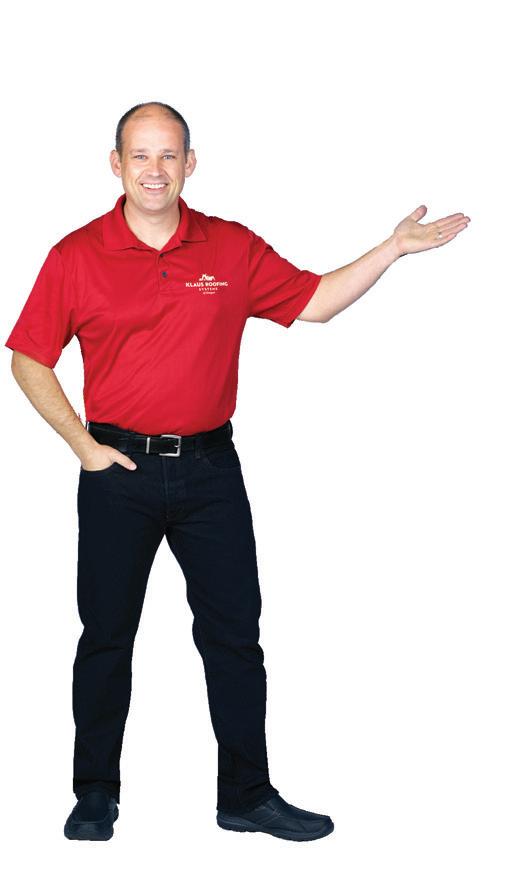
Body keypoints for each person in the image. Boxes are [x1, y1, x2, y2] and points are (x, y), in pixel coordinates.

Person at [5, 101, 470, 843]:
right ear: (116, 164)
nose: (154, 169)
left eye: (168, 155)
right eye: (139, 155)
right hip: (117, 470)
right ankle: (94, 794)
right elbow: (29, 356)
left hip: (211, 471)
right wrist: (83, 447)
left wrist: (392, 249)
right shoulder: (76, 255)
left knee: (233, 637)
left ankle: (246, 795)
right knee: (106, 637)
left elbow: (315, 301)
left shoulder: (228, 246)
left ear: (190, 164)